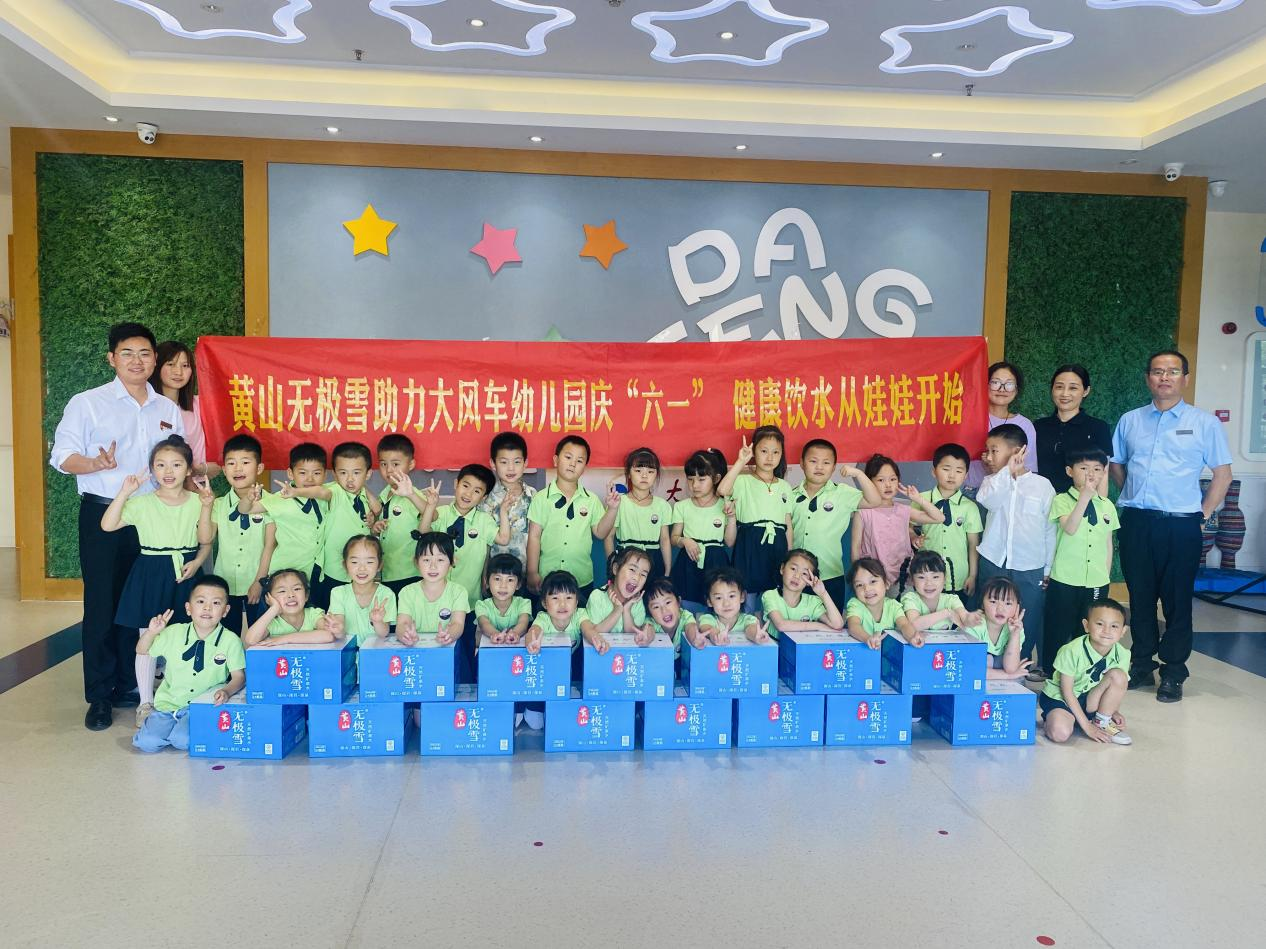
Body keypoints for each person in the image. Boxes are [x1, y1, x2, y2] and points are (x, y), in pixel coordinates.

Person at [50, 321, 185, 730]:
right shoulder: (88, 403)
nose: (136, 361)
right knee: (102, 604)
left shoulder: (166, 409)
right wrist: (95, 463)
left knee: (139, 601)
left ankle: (129, 683)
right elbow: (62, 456)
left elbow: (177, 458)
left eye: (144, 354)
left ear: (154, 359)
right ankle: (100, 694)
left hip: (153, 516)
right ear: (112, 358)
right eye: (127, 353)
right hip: (105, 514)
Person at [1111, 349, 1232, 703]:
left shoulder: (1205, 423)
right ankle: (1141, 664)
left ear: (1185, 378)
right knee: (1140, 597)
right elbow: (1117, 464)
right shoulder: (1130, 420)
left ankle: (1174, 672)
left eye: (1173, 371)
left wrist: (1202, 515)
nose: (1164, 377)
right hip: (1137, 522)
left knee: (1177, 601)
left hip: (1182, 526)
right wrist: (1133, 495)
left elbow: (1223, 475)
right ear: (1148, 377)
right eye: (1157, 371)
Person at [101, 434, 213, 729]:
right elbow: (108, 525)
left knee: (190, 636)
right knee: (148, 638)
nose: (168, 471)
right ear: (152, 470)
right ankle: (145, 702)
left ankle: (186, 698)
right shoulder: (143, 503)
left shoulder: (197, 501)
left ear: (188, 469)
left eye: (176, 464)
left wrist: (205, 507)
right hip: (150, 573)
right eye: (160, 465)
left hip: (186, 571)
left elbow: (205, 540)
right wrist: (125, 492)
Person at [132, 575, 245, 754]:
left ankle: (183, 729)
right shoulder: (174, 632)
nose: (207, 608)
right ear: (188, 608)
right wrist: (151, 633)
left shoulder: (231, 640)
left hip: (202, 705)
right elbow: (142, 650)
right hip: (168, 704)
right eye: (200, 601)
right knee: (147, 743)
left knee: (182, 740)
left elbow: (239, 676)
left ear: (225, 610)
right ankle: (164, 725)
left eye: (216, 603)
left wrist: (226, 691)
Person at [976, 423, 1055, 678]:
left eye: (994, 450)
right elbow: (988, 501)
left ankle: (1018, 671)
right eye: (987, 450)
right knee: (988, 616)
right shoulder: (991, 482)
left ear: (1018, 451)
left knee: (1025, 619)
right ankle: (988, 669)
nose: (988, 457)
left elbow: (1049, 530)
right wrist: (1006, 472)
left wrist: (1047, 568)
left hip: (1029, 566)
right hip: (993, 561)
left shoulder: (1043, 486)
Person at [276, 441, 380, 610]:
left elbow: (377, 509)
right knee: (327, 614)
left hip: (359, 572)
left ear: (368, 474)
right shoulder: (336, 491)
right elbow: (320, 491)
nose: (350, 479)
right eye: (343, 473)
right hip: (333, 572)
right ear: (335, 475)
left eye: (356, 473)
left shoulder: (363, 496)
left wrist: (373, 519)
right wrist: (296, 492)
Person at [1043, 447, 1119, 678]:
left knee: (1088, 629)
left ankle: (1081, 674)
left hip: (1096, 580)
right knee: (1059, 628)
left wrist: (1104, 576)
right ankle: (1052, 673)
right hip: (1065, 578)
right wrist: (1084, 497)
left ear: (1104, 473)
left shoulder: (1106, 505)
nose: (1090, 474)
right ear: (1070, 471)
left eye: (1097, 469)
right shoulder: (1062, 500)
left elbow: (1108, 543)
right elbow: (1070, 528)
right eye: (1084, 468)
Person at [792, 439, 882, 608]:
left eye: (826, 463)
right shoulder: (790, 495)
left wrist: (858, 474)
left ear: (834, 467)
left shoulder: (842, 493)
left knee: (832, 622)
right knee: (795, 621)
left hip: (830, 575)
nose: (819, 467)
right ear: (802, 463)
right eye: (813, 461)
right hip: (796, 576)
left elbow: (875, 500)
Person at [526, 436, 615, 600]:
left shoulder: (591, 500)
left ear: (584, 468)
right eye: (568, 457)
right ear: (555, 460)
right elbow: (534, 536)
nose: (573, 464)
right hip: (547, 578)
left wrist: (613, 509)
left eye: (579, 461)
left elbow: (601, 533)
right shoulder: (541, 498)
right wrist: (532, 572)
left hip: (581, 579)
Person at [718, 426, 794, 612]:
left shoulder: (785, 486)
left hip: (777, 546)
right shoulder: (743, 480)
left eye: (776, 452)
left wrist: (789, 556)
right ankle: (748, 627)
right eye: (764, 451)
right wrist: (741, 461)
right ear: (754, 452)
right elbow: (722, 490)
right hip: (749, 544)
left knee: (775, 598)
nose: (770, 457)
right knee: (748, 597)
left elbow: (788, 525)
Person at [418, 463, 511, 610]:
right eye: (465, 486)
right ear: (456, 484)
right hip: (437, 599)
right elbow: (423, 533)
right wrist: (430, 505)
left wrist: (504, 512)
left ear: (484, 497)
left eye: (477, 491)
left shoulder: (484, 520)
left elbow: (504, 539)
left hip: (470, 600)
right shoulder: (441, 513)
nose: (468, 494)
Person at [1041, 599, 1133, 745]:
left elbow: (1117, 687)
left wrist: (1113, 711)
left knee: (1119, 676)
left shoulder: (1123, 654)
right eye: (1100, 624)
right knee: (1060, 734)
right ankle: (1055, 720)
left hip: (1090, 699)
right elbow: (1067, 692)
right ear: (1086, 625)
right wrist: (1087, 727)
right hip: (1061, 698)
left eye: (1114, 626)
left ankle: (1101, 722)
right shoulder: (1071, 650)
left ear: (1123, 631)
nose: (1107, 631)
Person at [208, 434, 275, 634]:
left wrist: (259, 581)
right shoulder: (218, 504)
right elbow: (207, 539)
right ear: (224, 470)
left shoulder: (272, 503)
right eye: (231, 463)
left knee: (261, 635)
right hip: (225, 583)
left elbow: (270, 545)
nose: (238, 469)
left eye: (245, 462)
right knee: (226, 637)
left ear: (259, 468)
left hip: (258, 581)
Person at [852, 454, 944, 598]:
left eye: (893, 479)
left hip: (903, 577)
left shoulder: (903, 510)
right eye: (881, 480)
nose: (888, 485)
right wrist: (858, 577)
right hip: (873, 579)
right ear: (869, 483)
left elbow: (939, 518)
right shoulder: (863, 513)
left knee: (906, 610)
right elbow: (855, 548)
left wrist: (918, 499)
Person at [669, 448, 736, 616]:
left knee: (716, 607)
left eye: (701, 479)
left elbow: (729, 542)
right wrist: (684, 541)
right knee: (687, 608)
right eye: (690, 479)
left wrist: (732, 518)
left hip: (716, 562)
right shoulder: (682, 506)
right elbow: (674, 538)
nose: (695, 485)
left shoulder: (725, 505)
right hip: (688, 561)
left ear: (716, 479)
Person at [1032, 364, 1113, 493]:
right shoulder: (1038, 426)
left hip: (1080, 502)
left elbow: (1103, 474)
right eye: (1059, 387)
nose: (1065, 393)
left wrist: (1101, 503)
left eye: (1073, 388)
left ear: (1086, 391)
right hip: (1040, 500)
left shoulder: (1099, 428)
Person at [260, 443, 328, 593]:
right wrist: (248, 500)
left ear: (325, 475)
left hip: (317, 572)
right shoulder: (279, 499)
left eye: (316, 473)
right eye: (302, 473)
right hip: (285, 572)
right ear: (290, 474)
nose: (310, 479)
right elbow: (247, 510)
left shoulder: (326, 496)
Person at [601, 447, 673, 585]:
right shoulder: (619, 502)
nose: (644, 476)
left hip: (654, 560)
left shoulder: (662, 505)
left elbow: (664, 540)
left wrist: (668, 571)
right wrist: (612, 565)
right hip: (625, 559)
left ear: (656, 475)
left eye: (650, 471)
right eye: (638, 471)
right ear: (628, 473)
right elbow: (609, 537)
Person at [919, 444, 982, 599]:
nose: (952, 476)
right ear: (934, 471)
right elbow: (908, 528)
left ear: (966, 475)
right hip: (926, 576)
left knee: (956, 613)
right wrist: (913, 536)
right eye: (946, 469)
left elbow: (973, 544)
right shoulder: (920, 499)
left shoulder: (970, 507)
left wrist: (972, 575)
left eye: (959, 471)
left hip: (958, 577)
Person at [150, 340, 217, 478]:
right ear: (157, 366)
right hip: (156, 486)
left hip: (196, 487)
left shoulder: (200, 405)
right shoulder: (146, 407)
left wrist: (201, 469)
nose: (178, 372)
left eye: (185, 365)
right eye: (171, 364)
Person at [966, 361, 1038, 492]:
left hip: (1008, 491)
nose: (1002, 389)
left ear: (1016, 389)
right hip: (968, 490)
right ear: (985, 385)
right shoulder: (967, 418)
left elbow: (1029, 470)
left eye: (1009, 384)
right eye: (995, 382)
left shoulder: (1025, 425)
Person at [395, 531, 470, 652]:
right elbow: (402, 624)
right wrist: (406, 635)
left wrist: (448, 635)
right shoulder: (407, 592)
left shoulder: (459, 592)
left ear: (452, 562)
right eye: (426, 560)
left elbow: (457, 624)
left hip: (447, 652)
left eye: (440, 560)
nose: (433, 566)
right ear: (416, 562)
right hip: (415, 651)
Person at [478, 432, 537, 567]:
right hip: (496, 574)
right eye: (504, 462)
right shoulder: (486, 500)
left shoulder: (533, 496)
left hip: (527, 571)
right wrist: (484, 574)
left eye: (517, 462)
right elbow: (483, 542)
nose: (511, 468)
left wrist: (533, 572)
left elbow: (538, 537)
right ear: (493, 464)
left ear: (525, 463)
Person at [374, 434, 422, 595]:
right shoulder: (383, 495)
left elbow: (433, 514)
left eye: (395, 464)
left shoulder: (413, 494)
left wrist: (410, 495)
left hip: (411, 572)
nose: (389, 470)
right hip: (388, 571)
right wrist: (375, 527)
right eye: (383, 464)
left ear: (411, 464)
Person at [327, 535, 397, 646]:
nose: (362, 568)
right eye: (354, 562)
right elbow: (340, 630)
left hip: (374, 652)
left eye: (369, 562)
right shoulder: (338, 593)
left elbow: (384, 633)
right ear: (345, 565)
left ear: (379, 565)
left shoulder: (386, 594)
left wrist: (377, 621)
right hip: (348, 653)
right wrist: (338, 630)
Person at [582, 548, 656, 651]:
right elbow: (594, 634)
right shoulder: (597, 597)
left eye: (643, 574)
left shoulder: (637, 601)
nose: (637, 578)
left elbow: (634, 636)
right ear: (616, 569)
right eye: (632, 570)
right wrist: (617, 610)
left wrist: (626, 610)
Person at [244, 568, 342, 647]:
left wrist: (283, 639)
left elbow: (328, 635)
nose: (291, 595)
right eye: (282, 591)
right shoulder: (273, 622)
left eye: (297, 589)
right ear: (269, 598)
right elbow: (251, 640)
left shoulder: (314, 614)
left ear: (306, 595)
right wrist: (273, 609)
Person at [759, 548, 845, 637]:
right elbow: (781, 625)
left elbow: (838, 624)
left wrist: (823, 593)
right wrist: (818, 626)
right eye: (793, 569)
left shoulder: (813, 602)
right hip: (776, 645)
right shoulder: (770, 596)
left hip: (803, 646)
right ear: (782, 568)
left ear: (810, 579)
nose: (797, 576)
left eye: (804, 573)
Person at [959, 576, 1030, 679]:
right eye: (993, 602)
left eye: (1008, 603)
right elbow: (969, 669)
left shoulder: (1016, 628)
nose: (1000, 609)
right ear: (982, 604)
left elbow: (1010, 668)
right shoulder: (973, 625)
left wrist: (1014, 635)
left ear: (1017, 607)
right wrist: (1007, 676)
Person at [844, 557, 915, 649]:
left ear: (886, 584)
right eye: (859, 585)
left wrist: (912, 637)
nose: (867, 589)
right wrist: (868, 639)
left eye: (873, 581)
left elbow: (904, 625)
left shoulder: (893, 606)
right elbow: (853, 626)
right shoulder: (855, 605)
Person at [900, 550, 976, 634]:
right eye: (921, 577)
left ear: (945, 578)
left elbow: (965, 618)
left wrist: (971, 619)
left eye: (935, 577)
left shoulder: (951, 599)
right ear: (912, 580)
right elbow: (914, 625)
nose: (929, 583)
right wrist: (947, 613)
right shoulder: (910, 598)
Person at [697, 566, 771, 644]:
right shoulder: (708, 619)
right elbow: (707, 629)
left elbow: (751, 629)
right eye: (719, 598)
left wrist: (756, 635)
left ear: (742, 596)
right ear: (709, 601)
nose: (726, 604)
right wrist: (716, 636)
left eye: (731, 596)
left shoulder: (748, 620)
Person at [474, 553, 532, 645]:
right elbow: (484, 624)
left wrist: (514, 634)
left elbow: (523, 624)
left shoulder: (524, 603)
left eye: (510, 580)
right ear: (487, 582)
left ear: (518, 584)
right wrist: (495, 634)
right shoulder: (481, 605)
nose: (503, 586)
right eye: (497, 579)